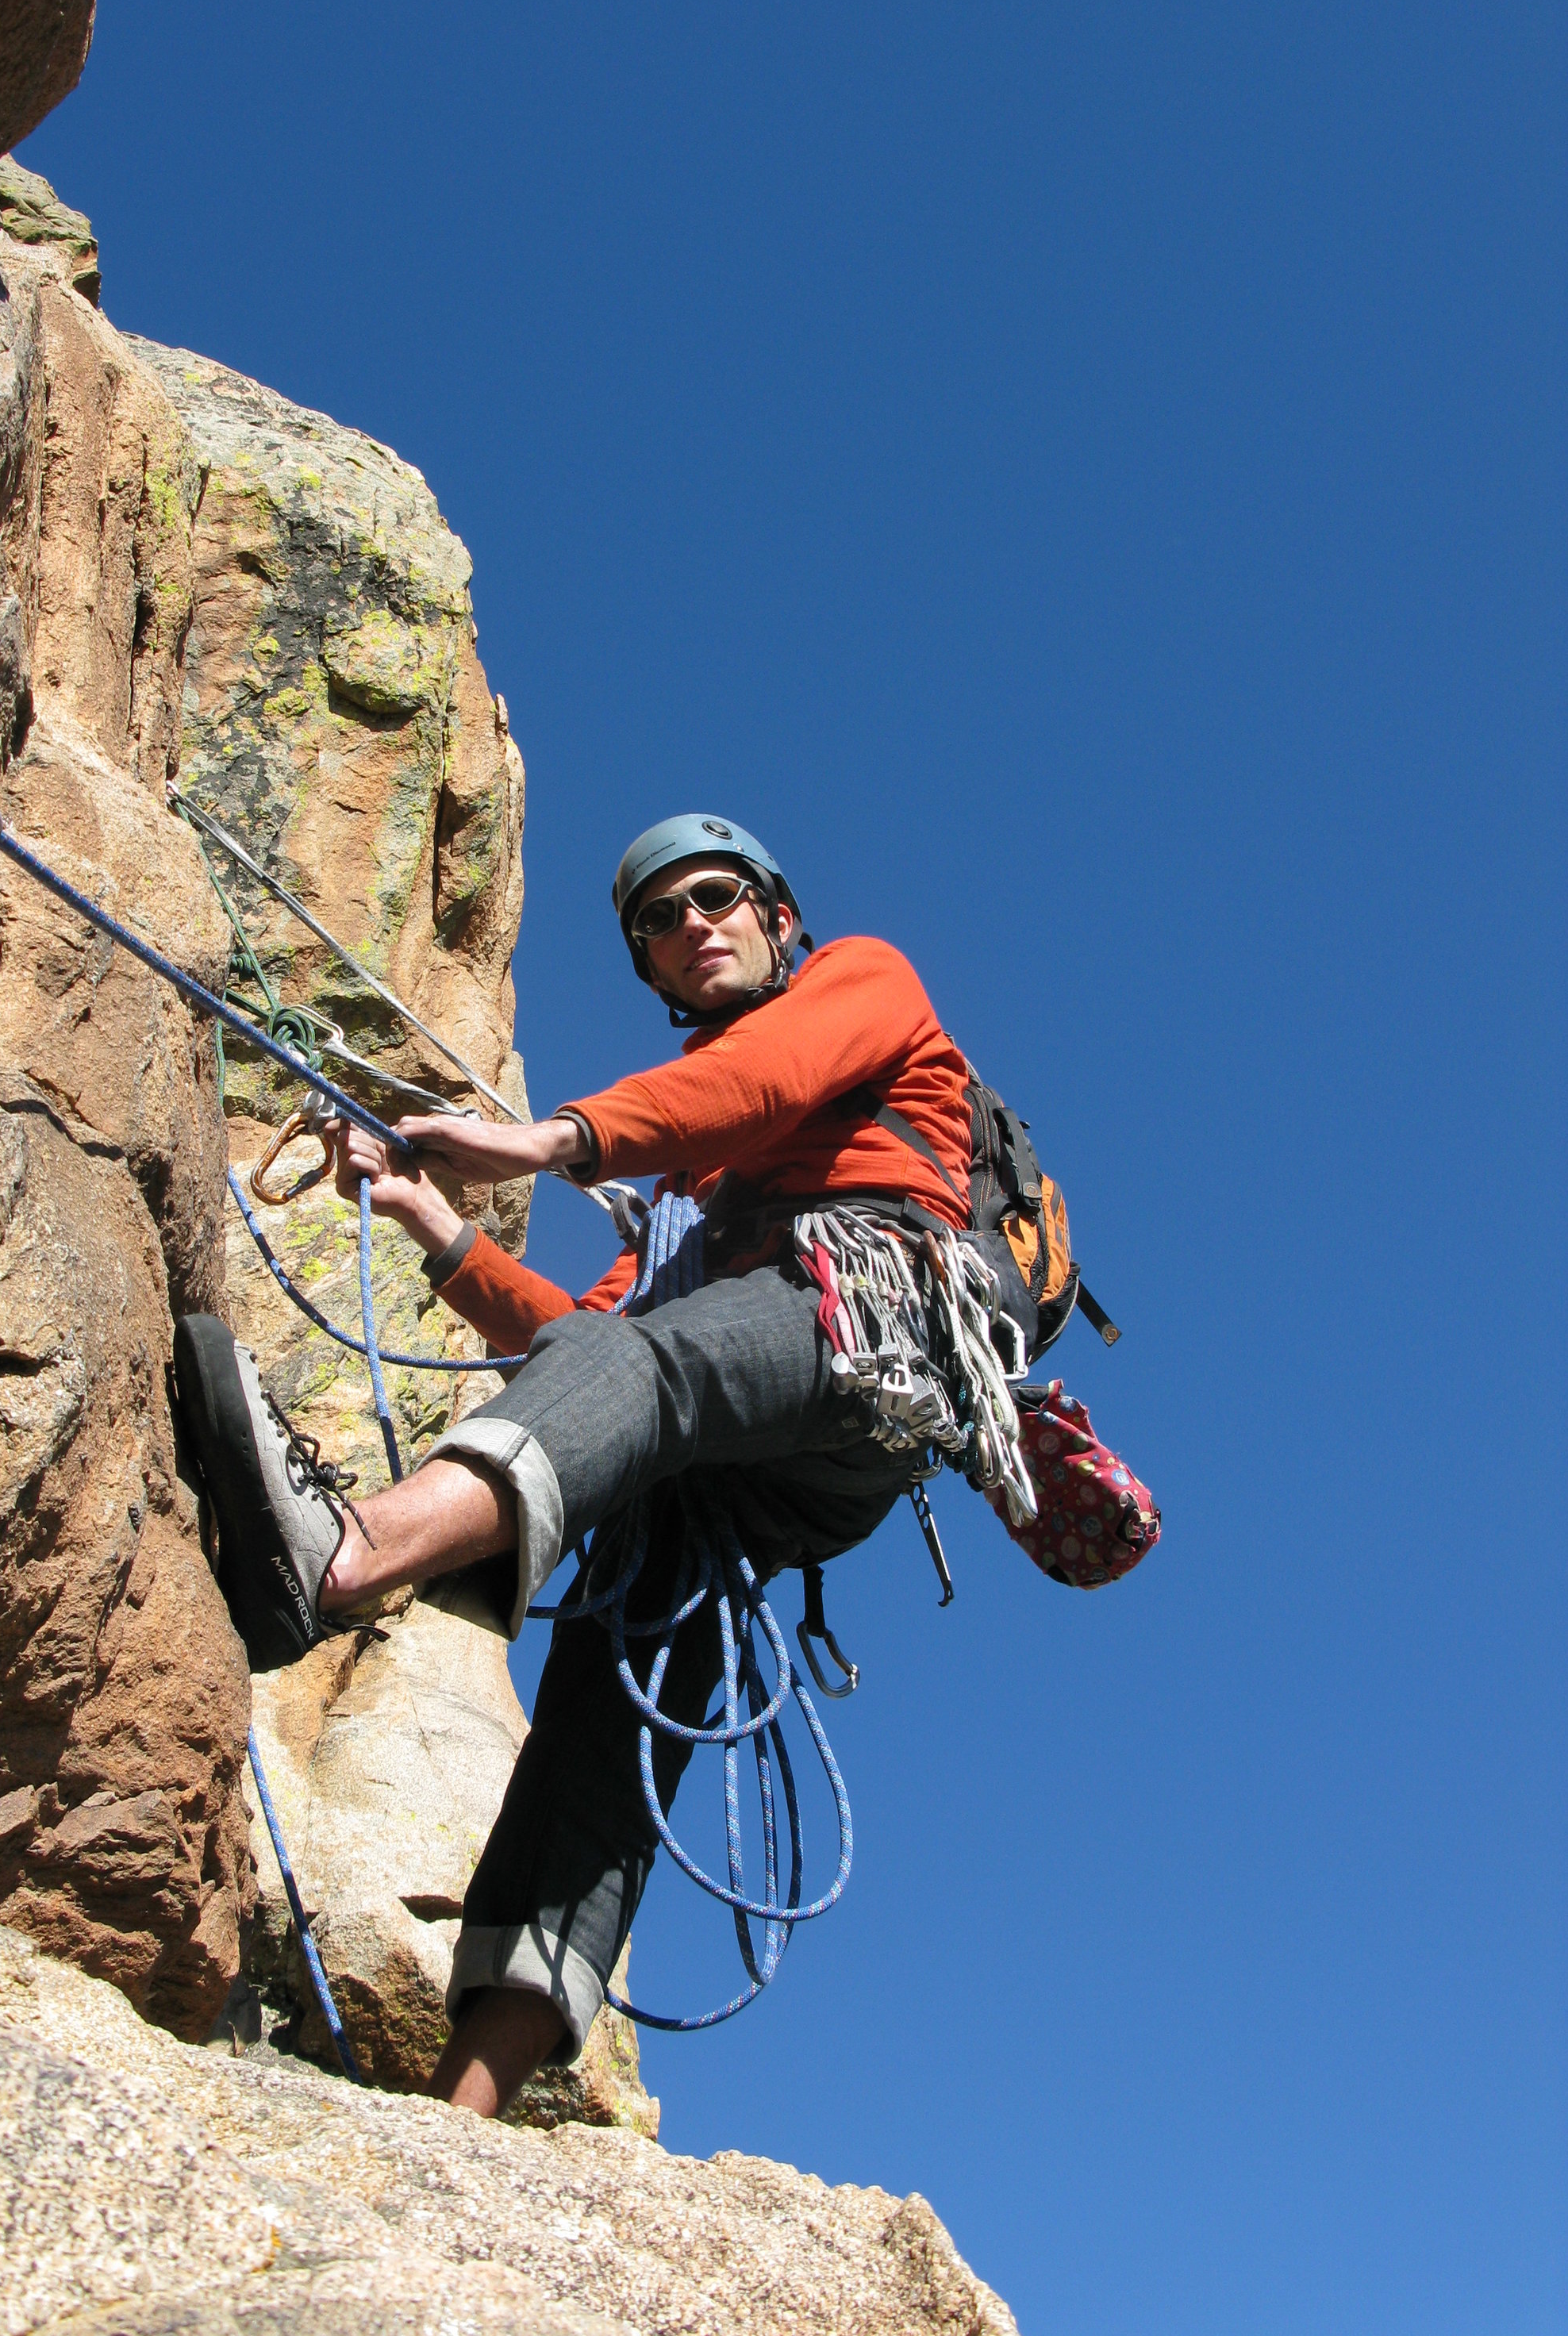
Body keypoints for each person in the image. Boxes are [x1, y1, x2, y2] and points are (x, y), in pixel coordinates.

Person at [173, 813, 1018, 2118]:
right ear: (655, 971)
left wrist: (547, 1140)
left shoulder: (863, 981)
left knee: (659, 1367)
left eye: (718, 896)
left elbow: (764, 1080)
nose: (694, 924)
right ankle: (468, 2110)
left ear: (777, 915)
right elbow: (577, 1344)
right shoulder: (692, 1203)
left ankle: (342, 1555)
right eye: (660, 923)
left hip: (863, 1314)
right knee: (597, 1710)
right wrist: (435, 1222)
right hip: (741, 1434)